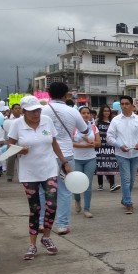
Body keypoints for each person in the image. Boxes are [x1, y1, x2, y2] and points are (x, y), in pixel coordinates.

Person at [7, 95, 72, 260]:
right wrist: (19, 149)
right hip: (29, 173)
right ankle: (32, 244)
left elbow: (54, 142)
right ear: (23, 112)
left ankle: (47, 237)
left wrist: (64, 161)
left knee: (52, 204)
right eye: (31, 111)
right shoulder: (17, 125)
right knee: (35, 208)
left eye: (37, 110)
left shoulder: (46, 121)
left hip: (49, 168)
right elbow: (9, 146)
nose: (36, 114)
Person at [43, 82, 90, 234]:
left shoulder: (42, 111)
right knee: (64, 191)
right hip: (67, 156)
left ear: (49, 94)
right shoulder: (73, 111)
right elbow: (84, 130)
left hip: (45, 155)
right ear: (66, 95)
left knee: (43, 190)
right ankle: (62, 224)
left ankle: (41, 223)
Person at [106, 95, 138, 215]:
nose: (124, 106)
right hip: (121, 154)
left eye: (126, 104)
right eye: (122, 104)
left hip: (135, 153)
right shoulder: (116, 120)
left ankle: (125, 198)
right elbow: (109, 137)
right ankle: (128, 203)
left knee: (132, 179)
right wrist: (119, 145)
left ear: (131, 105)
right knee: (126, 179)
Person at [72, 106, 101, 218]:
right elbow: (69, 143)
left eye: (88, 113)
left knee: (88, 185)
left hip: (90, 158)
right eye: (83, 113)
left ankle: (87, 208)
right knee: (77, 184)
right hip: (76, 159)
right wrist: (84, 145)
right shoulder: (73, 128)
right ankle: (77, 199)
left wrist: (93, 144)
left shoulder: (94, 128)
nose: (86, 115)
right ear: (79, 115)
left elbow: (99, 143)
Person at [95, 105, 118, 191]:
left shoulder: (113, 121)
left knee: (110, 163)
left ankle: (112, 184)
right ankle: (100, 184)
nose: (106, 112)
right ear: (101, 112)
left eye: (108, 111)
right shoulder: (97, 121)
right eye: (105, 111)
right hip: (100, 146)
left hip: (110, 146)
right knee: (100, 164)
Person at [5, 103, 22, 182]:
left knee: (21, 159)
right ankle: (9, 175)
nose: (18, 109)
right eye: (16, 108)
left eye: (19, 108)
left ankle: (21, 176)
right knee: (10, 159)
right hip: (11, 141)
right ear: (12, 110)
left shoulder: (24, 119)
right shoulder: (8, 120)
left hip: (21, 141)